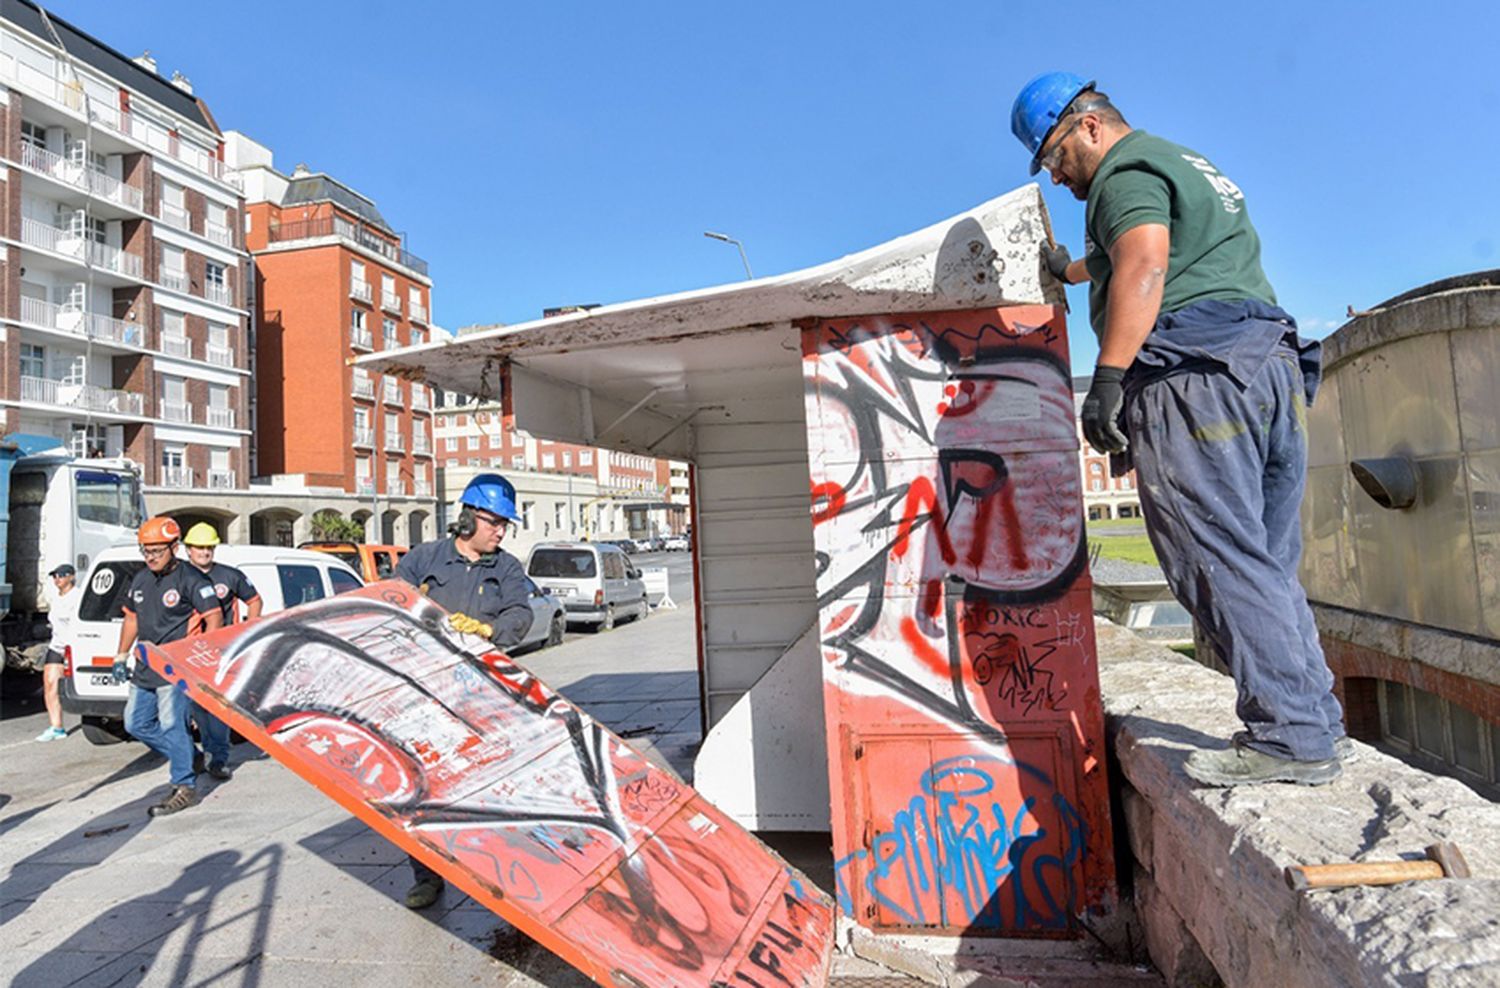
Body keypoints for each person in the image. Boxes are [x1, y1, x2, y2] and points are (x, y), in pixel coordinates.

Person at [1011, 72, 1345, 787]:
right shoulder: (1179, 161)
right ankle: (1312, 718)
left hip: (1195, 379)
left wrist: (1108, 377)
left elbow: (1144, 259)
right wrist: (1066, 270)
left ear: (1088, 125)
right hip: (1265, 369)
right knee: (1264, 561)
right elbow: (1123, 252)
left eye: (1057, 159)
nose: (1062, 180)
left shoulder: (1121, 174)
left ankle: (1290, 737)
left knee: (1213, 554)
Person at [393, 473, 533, 909]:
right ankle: (428, 876)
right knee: (423, 787)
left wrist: (490, 629)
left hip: (480, 693)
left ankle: (501, 874)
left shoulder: (506, 567)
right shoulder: (425, 559)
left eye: (504, 524)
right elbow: (389, 600)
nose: (501, 531)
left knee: (491, 784)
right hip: (424, 690)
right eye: (494, 522)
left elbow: (521, 613)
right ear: (468, 520)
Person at [114, 516, 223, 816]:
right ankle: (188, 757)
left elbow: (214, 617)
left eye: (156, 551)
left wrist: (202, 657)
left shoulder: (192, 579)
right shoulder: (140, 579)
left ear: (174, 547)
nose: (150, 557)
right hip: (146, 666)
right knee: (135, 724)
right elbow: (132, 618)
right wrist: (120, 655)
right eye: (145, 551)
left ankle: (184, 785)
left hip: (176, 667)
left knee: (173, 724)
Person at [182, 522, 263, 780]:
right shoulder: (179, 577)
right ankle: (201, 754)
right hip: (187, 652)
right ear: (188, 550)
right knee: (194, 711)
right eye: (199, 548)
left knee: (217, 710)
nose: (205, 552)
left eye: (209, 547)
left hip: (220, 653)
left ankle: (218, 759)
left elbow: (254, 600)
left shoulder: (230, 576)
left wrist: (245, 631)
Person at [34, 563, 79, 742]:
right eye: (54, 576)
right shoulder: (56, 597)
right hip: (57, 646)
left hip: (73, 647)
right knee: (50, 685)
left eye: (61, 575)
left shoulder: (77, 596)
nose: (57, 579)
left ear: (71, 577)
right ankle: (57, 727)